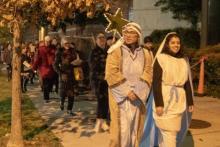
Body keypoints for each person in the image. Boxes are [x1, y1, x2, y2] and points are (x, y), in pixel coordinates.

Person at [105, 22, 153, 147]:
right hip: (121, 98)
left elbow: (148, 72)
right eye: (126, 32)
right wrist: (127, 91)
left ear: (138, 35)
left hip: (138, 96)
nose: (128, 35)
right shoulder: (116, 51)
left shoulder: (146, 53)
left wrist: (138, 91)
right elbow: (111, 73)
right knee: (121, 131)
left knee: (135, 130)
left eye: (132, 33)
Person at [143, 32, 194, 147]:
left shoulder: (183, 60)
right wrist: (159, 104)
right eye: (173, 43)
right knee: (169, 132)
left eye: (178, 43)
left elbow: (186, 83)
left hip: (179, 99)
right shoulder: (161, 58)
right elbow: (156, 82)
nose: (176, 45)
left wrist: (190, 101)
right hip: (165, 98)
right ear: (167, 44)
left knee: (167, 133)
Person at [89, 33, 109, 132]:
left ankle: (103, 121)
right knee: (101, 102)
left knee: (106, 102)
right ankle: (98, 122)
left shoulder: (108, 51)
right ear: (96, 40)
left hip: (108, 80)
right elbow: (93, 66)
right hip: (98, 81)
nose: (101, 40)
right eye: (99, 38)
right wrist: (102, 74)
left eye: (103, 38)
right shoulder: (94, 51)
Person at [53, 38, 78, 115]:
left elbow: (77, 59)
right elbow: (55, 65)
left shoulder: (73, 51)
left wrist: (78, 62)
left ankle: (69, 110)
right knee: (63, 92)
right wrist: (60, 73)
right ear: (62, 44)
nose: (67, 45)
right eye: (65, 43)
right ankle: (62, 102)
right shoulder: (59, 52)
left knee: (71, 93)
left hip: (72, 74)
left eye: (68, 43)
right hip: (63, 74)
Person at [33, 36, 56, 103]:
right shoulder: (41, 49)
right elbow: (38, 59)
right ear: (44, 41)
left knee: (51, 83)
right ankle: (46, 97)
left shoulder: (53, 48)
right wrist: (34, 67)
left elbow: (56, 56)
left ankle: (48, 92)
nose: (48, 42)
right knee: (46, 83)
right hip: (44, 68)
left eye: (49, 41)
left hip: (51, 68)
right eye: (46, 41)